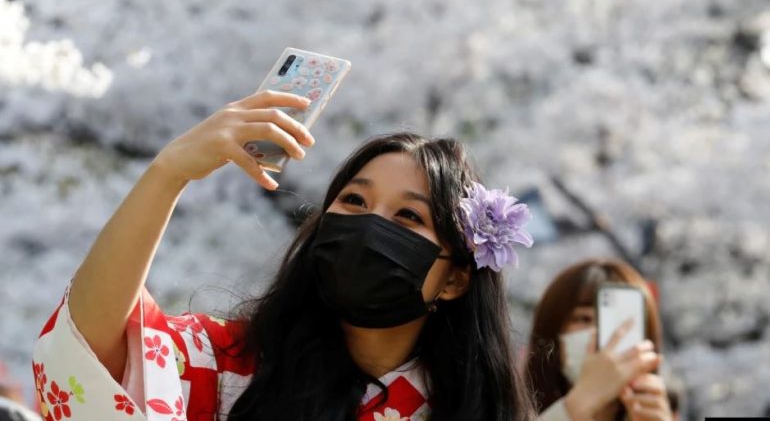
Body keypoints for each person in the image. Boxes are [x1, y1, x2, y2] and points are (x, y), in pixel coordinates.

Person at [33, 90, 537, 420]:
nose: (370, 227)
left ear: (455, 279)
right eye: (354, 202)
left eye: (407, 216)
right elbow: (87, 348)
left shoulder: (470, 409)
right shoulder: (229, 365)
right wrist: (169, 174)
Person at [524, 259, 674, 421]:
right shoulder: (512, 411)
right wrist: (580, 402)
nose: (599, 336)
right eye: (584, 319)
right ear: (552, 331)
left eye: (616, 322)